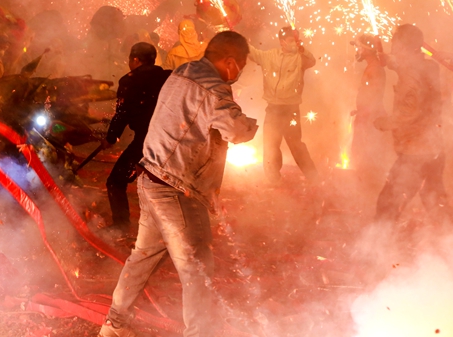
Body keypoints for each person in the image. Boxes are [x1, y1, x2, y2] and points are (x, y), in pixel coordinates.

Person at [99, 31, 258, 337]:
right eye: (241, 66)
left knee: (143, 257)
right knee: (197, 271)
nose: (240, 72)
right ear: (229, 62)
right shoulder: (212, 87)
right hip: (177, 189)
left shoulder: (184, 71)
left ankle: (114, 325)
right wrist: (251, 125)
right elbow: (237, 130)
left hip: (151, 180)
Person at [374, 24, 449, 222]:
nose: (392, 45)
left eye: (395, 42)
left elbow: (410, 112)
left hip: (415, 153)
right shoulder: (426, 66)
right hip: (433, 149)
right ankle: (451, 241)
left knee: (387, 204)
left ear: (403, 47)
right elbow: (407, 66)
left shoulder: (411, 75)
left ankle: (376, 247)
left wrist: (384, 123)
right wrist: (389, 61)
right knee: (435, 203)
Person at [104, 42, 171, 230]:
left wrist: (110, 138)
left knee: (116, 181)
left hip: (147, 140)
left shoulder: (129, 81)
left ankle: (121, 225)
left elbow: (121, 113)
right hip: (170, 139)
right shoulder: (168, 77)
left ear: (135, 59)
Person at [249, 27, 318, 184]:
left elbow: (312, 61)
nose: (296, 43)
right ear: (282, 42)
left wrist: (301, 48)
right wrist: (237, 39)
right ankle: (273, 179)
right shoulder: (270, 56)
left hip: (291, 109)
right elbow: (252, 52)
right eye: (292, 40)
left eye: (297, 40)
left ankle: (314, 178)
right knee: (270, 146)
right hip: (273, 109)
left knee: (296, 145)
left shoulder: (301, 58)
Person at [350, 34, 391, 181]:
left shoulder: (375, 69)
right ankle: (363, 182)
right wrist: (359, 109)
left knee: (366, 152)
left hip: (370, 117)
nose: (358, 50)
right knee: (361, 151)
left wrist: (365, 112)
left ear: (368, 49)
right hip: (366, 114)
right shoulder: (372, 67)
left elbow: (375, 95)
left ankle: (367, 185)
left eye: (360, 47)